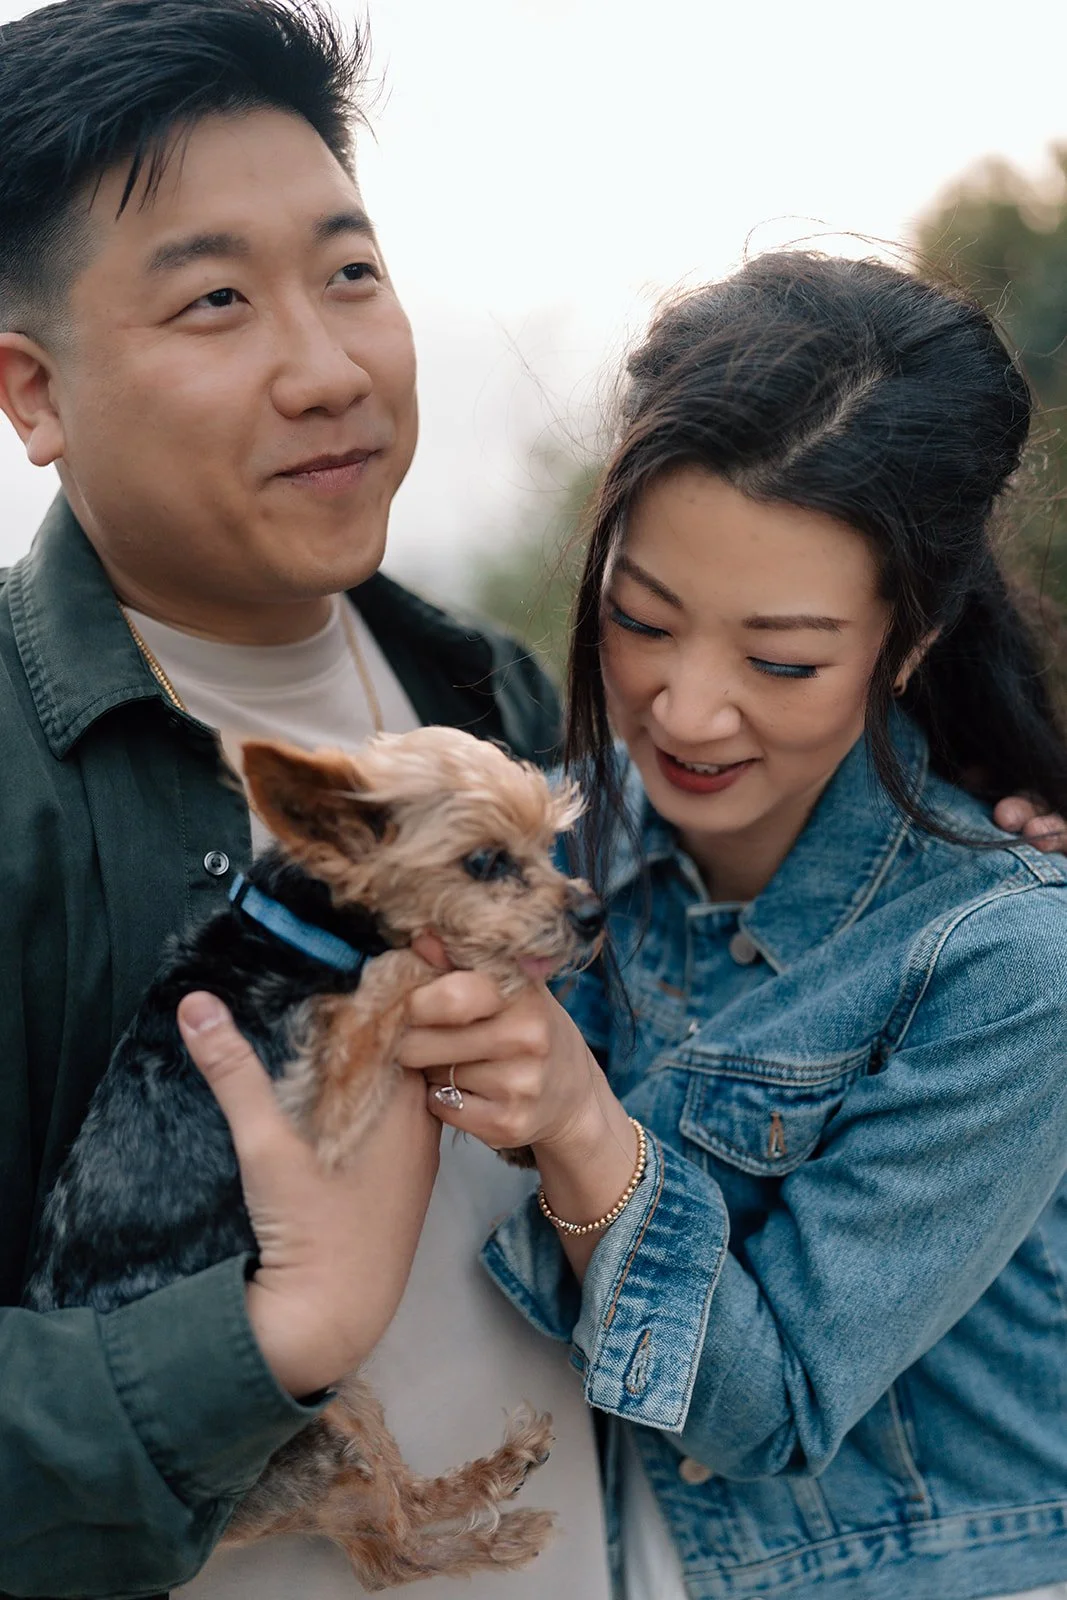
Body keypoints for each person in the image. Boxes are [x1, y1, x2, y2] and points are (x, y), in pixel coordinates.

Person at [0, 3, 609, 1597]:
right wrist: (270, 1331)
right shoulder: (21, 789)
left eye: (351, 272)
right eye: (215, 300)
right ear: (32, 392)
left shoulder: (491, 701)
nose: (329, 366)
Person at [394, 254, 1067, 1600]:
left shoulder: (1004, 959)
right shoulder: (542, 852)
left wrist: (585, 1131)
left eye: (780, 661)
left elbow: (771, 1407)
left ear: (913, 639)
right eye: (640, 620)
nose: (687, 711)